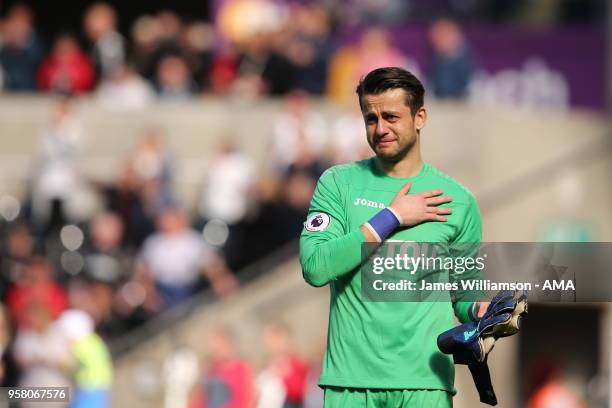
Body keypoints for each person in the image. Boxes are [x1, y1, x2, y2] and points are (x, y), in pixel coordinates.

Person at [299, 67, 489, 407]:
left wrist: (479, 309)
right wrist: (392, 217)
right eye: (370, 118)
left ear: (420, 117)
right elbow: (315, 267)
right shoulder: (338, 183)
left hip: (425, 385)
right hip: (349, 384)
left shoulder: (459, 201)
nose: (380, 128)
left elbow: (463, 292)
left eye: (390, 116)